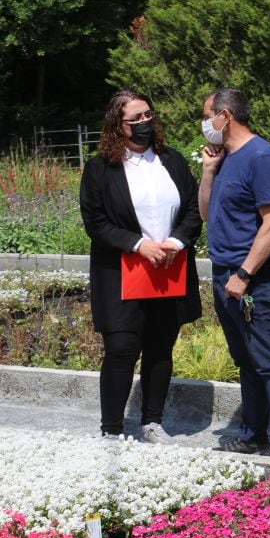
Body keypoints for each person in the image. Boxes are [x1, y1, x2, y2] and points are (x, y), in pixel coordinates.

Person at [79, 89, 202, 440]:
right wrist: (137, 244)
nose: (144, 123)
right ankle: (112, 430)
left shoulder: (172, 160)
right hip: (121, 271)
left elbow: (194, 208)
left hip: (169, 266)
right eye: (135, 119)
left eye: (148, 115)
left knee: (160, 346)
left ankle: (152, 421)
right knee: (121, 348)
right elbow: (96, 222)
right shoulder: (100, 168)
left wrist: (177, 241)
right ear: (117, 125)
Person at [199, 87, 270, 459]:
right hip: (222, 272)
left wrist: (243, 274)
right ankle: (253, 432)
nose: (204, 123)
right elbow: (207, 213)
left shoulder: (261, 156)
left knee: (268, 357)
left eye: (207, 114)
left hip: (248, 276)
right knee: (245, 359)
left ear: (225, 116)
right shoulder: (225, 158)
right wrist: (209, 172)